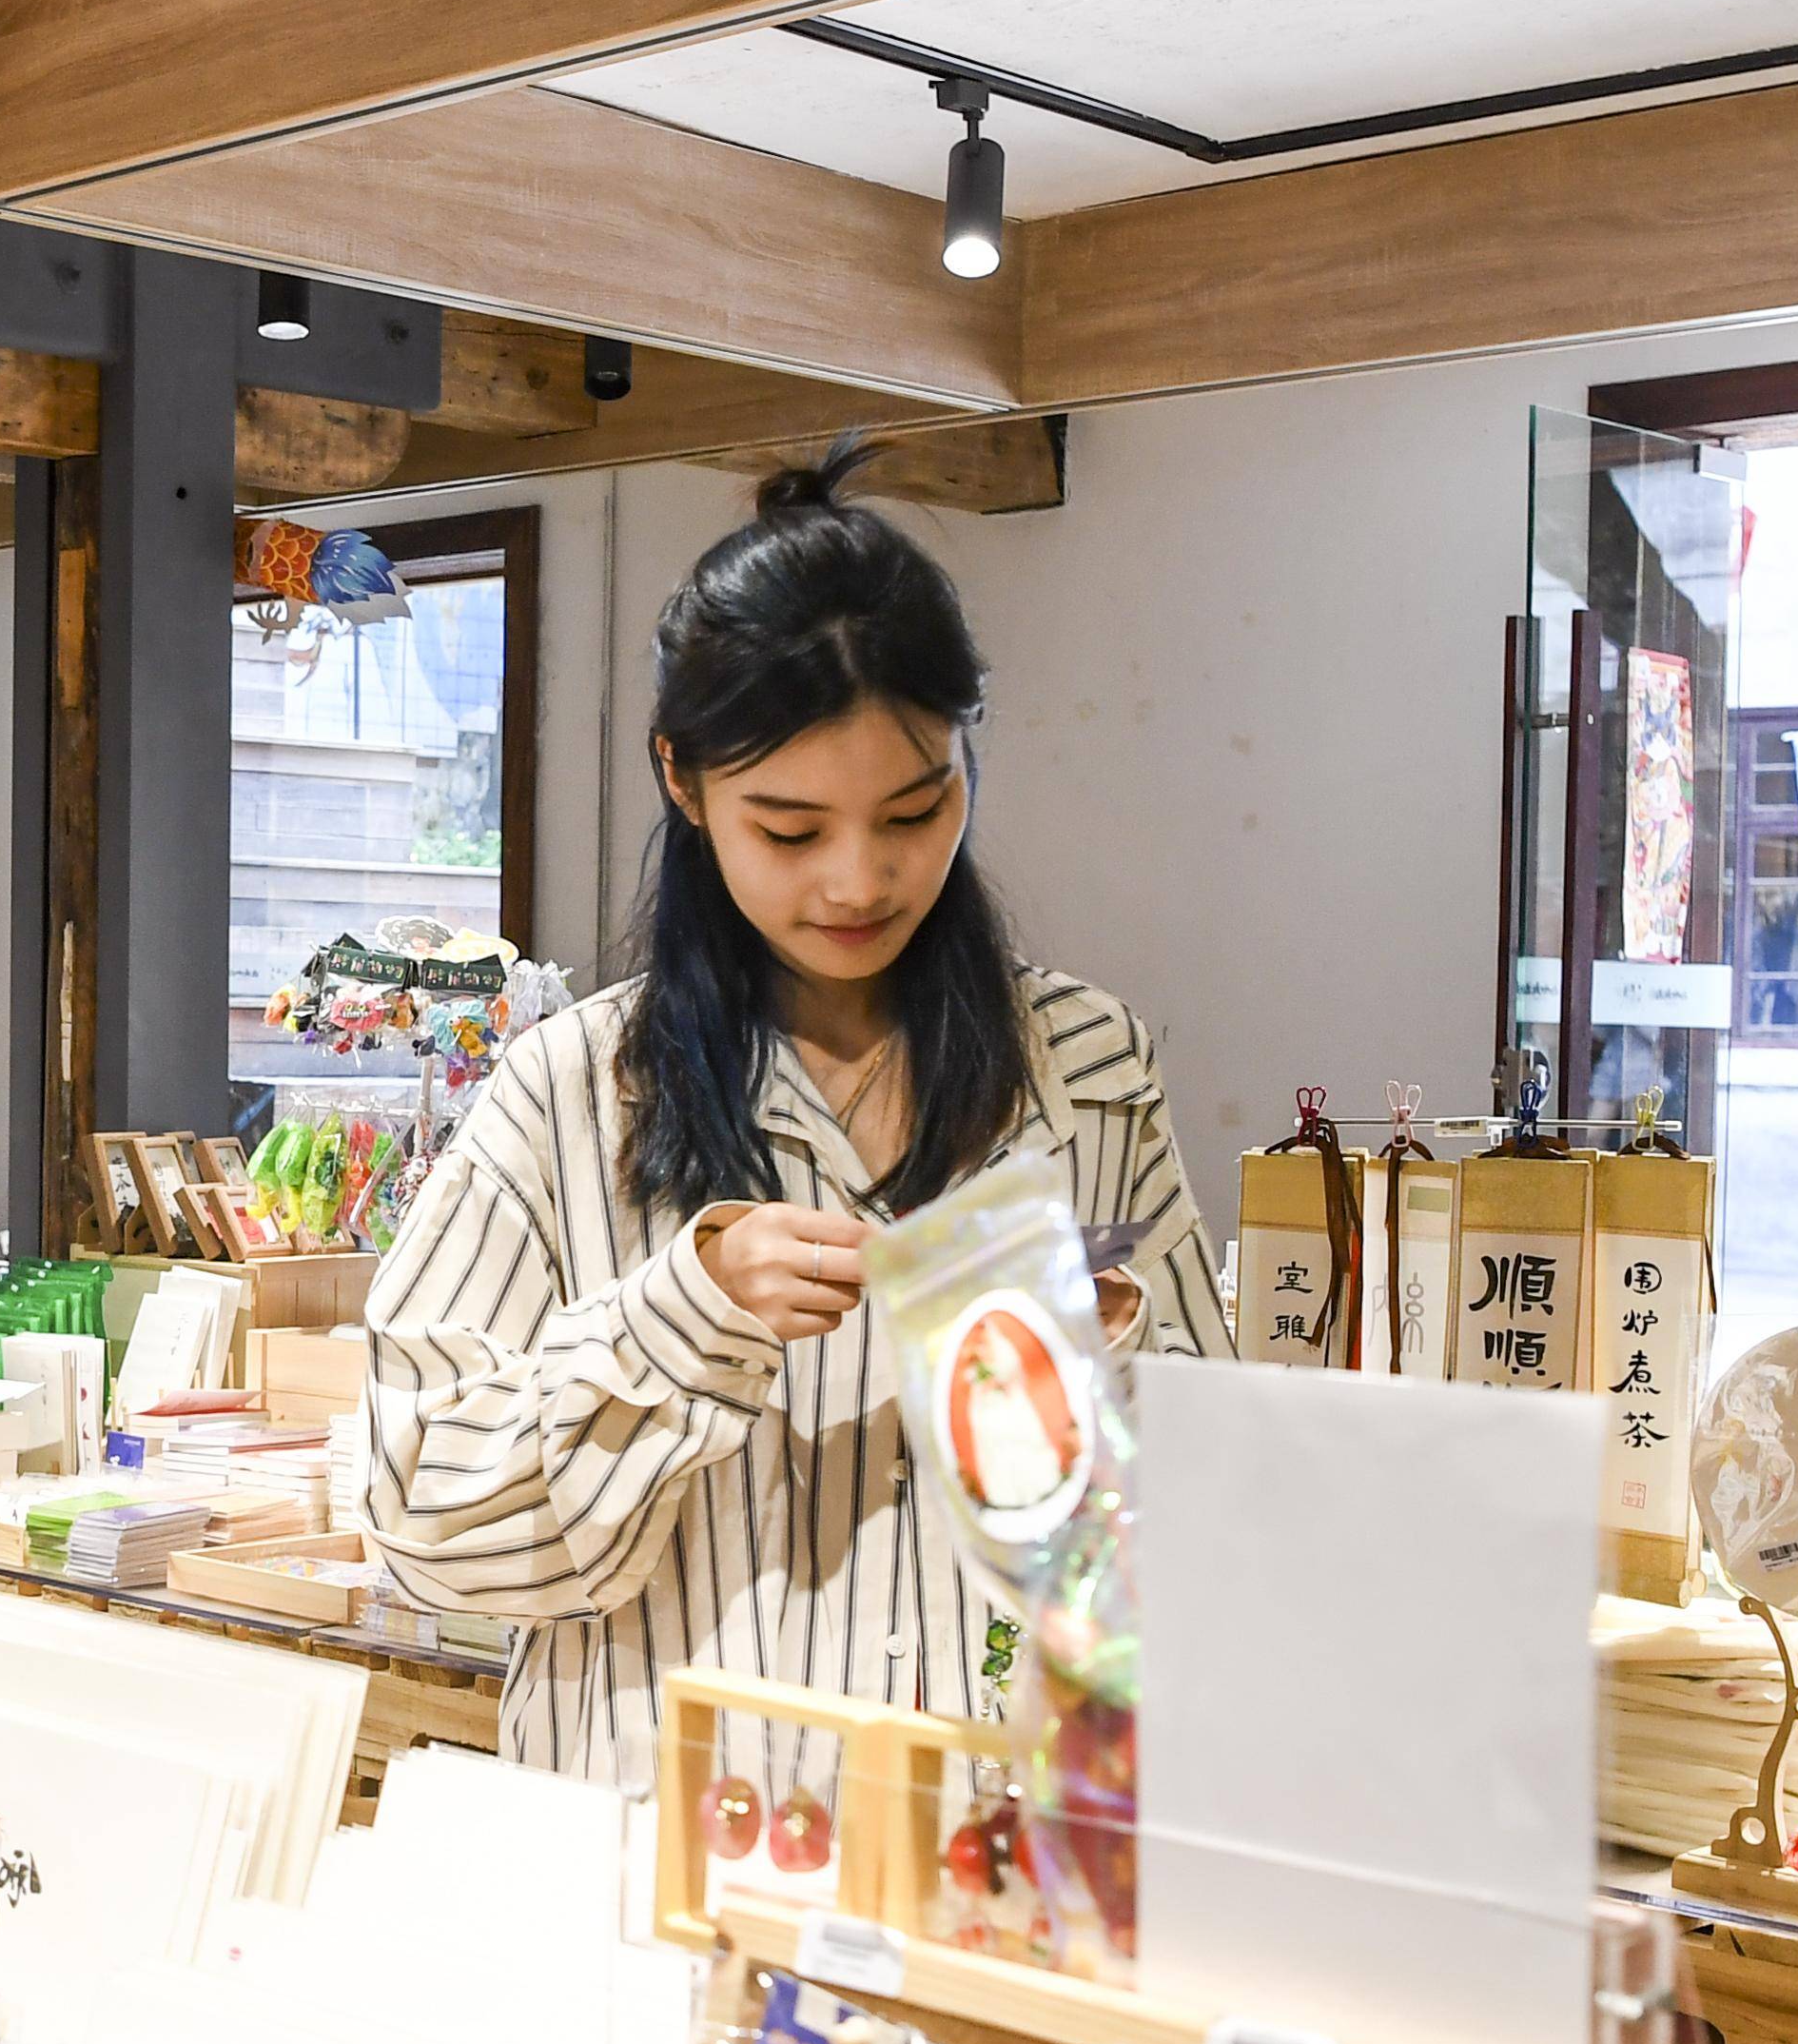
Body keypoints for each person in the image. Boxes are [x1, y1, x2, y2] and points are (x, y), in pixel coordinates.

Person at [360, 442, 1226, 1782]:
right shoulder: (569, 1092)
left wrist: (1098, 1380)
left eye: (914, 809)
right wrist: (683, 1316)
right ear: (681, 780)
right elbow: (421, 1528)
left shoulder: (1084, 1066)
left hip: (989, 1860)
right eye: (788, 826)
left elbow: (1197, 1516)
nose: (859, 879)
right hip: (658, 1878)